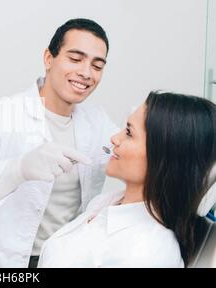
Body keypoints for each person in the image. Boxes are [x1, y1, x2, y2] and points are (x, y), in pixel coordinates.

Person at [0, 18, 118, 267]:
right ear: (48, 58)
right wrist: (18, 169)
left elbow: (138, 156)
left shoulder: (99, 122)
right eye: (75, 59)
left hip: (66, 258)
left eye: (97, 66)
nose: (86, 73)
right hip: (6, 262)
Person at [38, 91, 216, 267]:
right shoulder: (109, 202)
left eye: (129, 133)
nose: (114, 138)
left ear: (164, 155)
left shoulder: (147, 253)